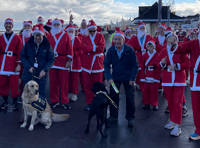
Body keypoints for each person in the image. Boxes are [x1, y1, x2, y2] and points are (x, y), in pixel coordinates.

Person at [104, 29, 139, 127]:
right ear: (113, 40)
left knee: (130, 98)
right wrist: (109, 78)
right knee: (113, 97)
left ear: (123, 40)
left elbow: (135, 65)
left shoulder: (129, 50)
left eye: (119, 39)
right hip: (115, 79)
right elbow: (106, 64)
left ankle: (130, 117)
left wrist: (133, 78)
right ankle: (114, 116)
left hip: (128, 79)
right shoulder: (111, 50)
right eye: (115, 39)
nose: (117, 41)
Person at [157, 33, 190, 136]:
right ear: (167, 40)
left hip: (179, 80)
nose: (172, 40)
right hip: (167, 81)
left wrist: (176, 66)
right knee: (170, 102)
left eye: (174, 38)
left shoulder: (181, 50)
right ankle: (172, 120)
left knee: (177, 102)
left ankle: (178, 125)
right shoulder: (163, 51)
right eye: (170, 38)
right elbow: (158, 65)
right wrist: (162, 63)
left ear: (176, 39)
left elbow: (188, 64)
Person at [173, 32, 200, 140]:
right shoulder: (194, 43)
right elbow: (181, 49)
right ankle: (198, 130)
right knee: (196, 107)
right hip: (196, 81)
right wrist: (174, 44)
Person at [20, 23, 55, 98]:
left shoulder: (47, 45)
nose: (37, 37)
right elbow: (22, 56)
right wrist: (28, 67)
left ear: (43, 35)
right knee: (27, 95)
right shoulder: (28, 44)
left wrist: (44, 70)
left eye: (39, 35)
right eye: (35, 35)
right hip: (28, 74)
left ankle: (40, 110)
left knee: (40, 96)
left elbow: (51, 59)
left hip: (40, 75)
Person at [47, 19, 73, 110]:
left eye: (58, 24)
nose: (57, 26)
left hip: (63, 62)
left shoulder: (66, 35)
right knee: (53, 83)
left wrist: (69, 60)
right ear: (52, 26)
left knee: (64, 83)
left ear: (61, 25)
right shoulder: (49, 37)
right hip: (52, 62)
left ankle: (65, 101)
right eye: (55, 25)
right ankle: (54, 101)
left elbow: (70, 48)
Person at [81, 19, 105, 110]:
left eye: (93, 31)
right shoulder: (84, 36)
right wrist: (95, 47)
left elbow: (102, 48)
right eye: (90, 31)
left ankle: (98, 102)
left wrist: (89, 49)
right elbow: (82, 48)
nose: (92, 33)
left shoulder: (100, 36)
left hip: (97, 64)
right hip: (86, 64)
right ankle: (89, 102)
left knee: (98, 85)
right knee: (87, 85)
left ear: (96, 30)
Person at [0, 18, 23, 111]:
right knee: (2, 84)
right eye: (7, 24)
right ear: (4, 25)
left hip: (13, 63)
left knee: (14, 84)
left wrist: (19, 64)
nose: (8, 25)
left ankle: (15, 102)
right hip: (3, 63)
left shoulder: (17, 38)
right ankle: (5, 102)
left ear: (12, 25)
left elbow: (20, 52)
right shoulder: (1, 37)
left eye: (10, 24)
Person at [127, 22, 154, 93]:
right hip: (138, 56)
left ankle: (147, 85)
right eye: (141, 28)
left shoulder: (149, 37)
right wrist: (135, 52)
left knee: (146, 70)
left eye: (143, 28)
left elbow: (153, 43)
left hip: (147, 56)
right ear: (138, 29)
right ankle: (139, 84)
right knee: (139, 71)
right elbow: (128, 46)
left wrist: (149, 49)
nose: (142, 29)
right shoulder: (134, 38)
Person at [140, 40, 160, 110]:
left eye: (151, 46)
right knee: (146, 90)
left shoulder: (157, 55)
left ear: (154, 47)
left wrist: (157, 77)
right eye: (148, 46)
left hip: (154, 73)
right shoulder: (145, 55)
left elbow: (158, 67)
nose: (150, 48)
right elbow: (142, 66)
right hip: (147, 73)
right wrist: (142, 76)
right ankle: (146, 103)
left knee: (154, 91)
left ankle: (154, 104)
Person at [65, 24, 82, 102]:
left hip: (75, 63)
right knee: (67, 79)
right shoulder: (64, 39)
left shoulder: (77, 39)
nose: (71, 33)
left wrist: (74, 54)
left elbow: (81, 50)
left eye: (72, 31)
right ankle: (68, 92)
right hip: (67, 62)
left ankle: (74, 93)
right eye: (69, 31)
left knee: (75, 79)